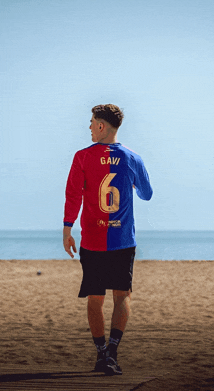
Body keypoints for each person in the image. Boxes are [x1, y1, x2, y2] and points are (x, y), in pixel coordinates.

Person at [63, 104, 153, 376]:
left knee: (95, 297)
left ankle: (101, 352)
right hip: (123, 240)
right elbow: (147, 194)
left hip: (92, 240)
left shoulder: (81, 157)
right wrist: (133, 184)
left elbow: (73, 196)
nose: (89, 126)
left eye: (91, 122)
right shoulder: (132, 158)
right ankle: (112, 352)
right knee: (122, 295)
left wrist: (67, 229)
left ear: (102, 126)